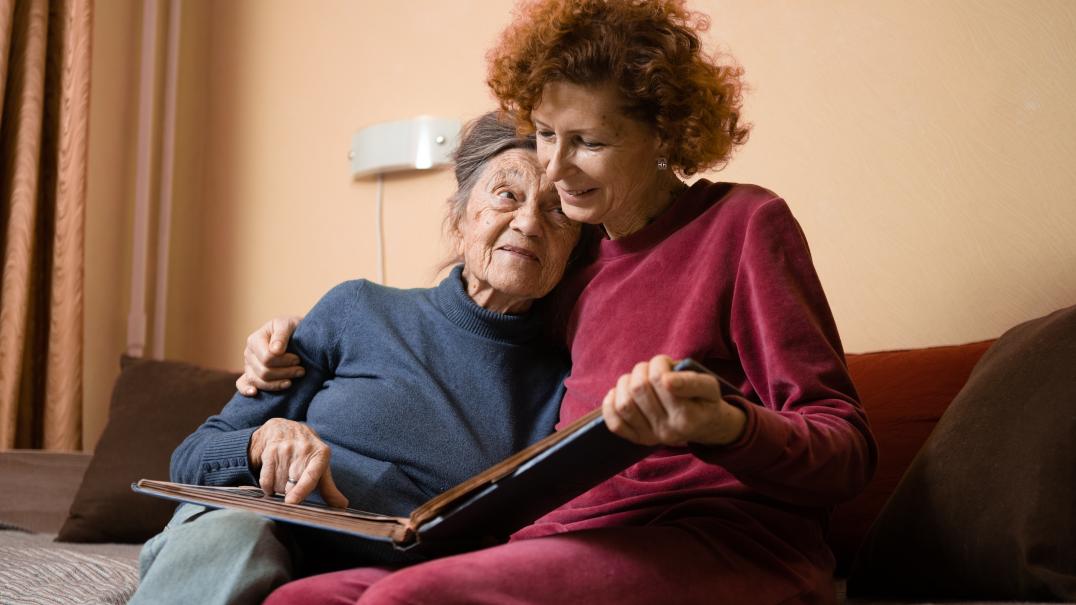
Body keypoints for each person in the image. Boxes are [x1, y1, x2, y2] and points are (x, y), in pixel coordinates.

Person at [254, 1, 878, 603]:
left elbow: (844, 447)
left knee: (412, 598)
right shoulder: (573, 270)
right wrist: (295, 339)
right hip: (560, 541)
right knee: (305, 598)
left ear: (664, 134)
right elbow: (477, 333)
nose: (553, 169)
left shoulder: (742, 224)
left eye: (589, 142)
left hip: (719, 542)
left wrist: (728, 426)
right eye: (547, 133)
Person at [127, 111, 584, 605]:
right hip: (256, 525)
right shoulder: (357, 308)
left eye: (557, 209)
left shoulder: (563, 385)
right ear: (458, 221)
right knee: (235, 539)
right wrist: (263, 439)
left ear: (573, 247)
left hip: (382, 573)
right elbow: (189, 461)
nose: (529, 222)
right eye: (507, 195)